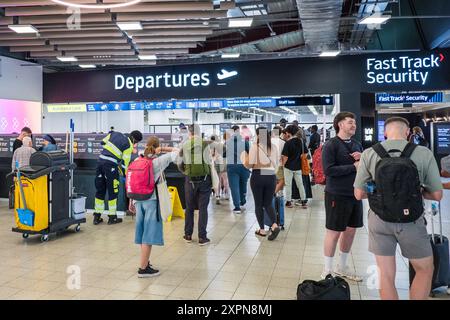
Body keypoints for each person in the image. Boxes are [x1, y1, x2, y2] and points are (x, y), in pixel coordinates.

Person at [354, 117, 443, 300]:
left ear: (385, 133)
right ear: (408, 132)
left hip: (379, 219)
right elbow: (437, 195)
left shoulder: (370, 153)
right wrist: (419, 192)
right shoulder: (423, 153)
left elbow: (359, 194)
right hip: (411, 220)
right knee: (425, 269)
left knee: (385, 275)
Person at [321, 112, 363, 281]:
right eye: (350, 122)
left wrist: (363, 159)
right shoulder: (331, 145)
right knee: (334, 232)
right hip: (336, 194)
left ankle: (342, 266)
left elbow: (362, 167)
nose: (354, 125)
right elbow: (328, 171)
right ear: (340, 124)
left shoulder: (357, 144)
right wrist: (353, 166)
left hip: (355, 193)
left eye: (354, 123)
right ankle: (327, 269)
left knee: (351, 231)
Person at [135, 136, 179, 278]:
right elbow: (179, 152)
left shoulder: (137, 159)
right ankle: (143, 269)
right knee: (149, 235)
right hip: (151, 201)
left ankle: (145, 263)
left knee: (142, 233)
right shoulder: (158, 161)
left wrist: (131, 201)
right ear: (157, 147)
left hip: (137, 200)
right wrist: (164, 149)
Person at [93, 130, 143, 225]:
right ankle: (112, 218)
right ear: (135, 140)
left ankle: (97, 217)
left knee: (100, 190)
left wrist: (109, 153)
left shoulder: (115, 133)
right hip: (110, 167)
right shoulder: (128, 145)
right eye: (136, 143)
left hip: (100, 163)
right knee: (113, 191)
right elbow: (125, 164)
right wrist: (126, 176)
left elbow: (102, 142)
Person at [244, 127, 281, 241]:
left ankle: (262, 230)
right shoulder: (274, 147)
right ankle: (274, 225)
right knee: (268, 203)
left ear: (259, 135)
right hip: (271, 176)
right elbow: (276, 164)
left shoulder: (255, 147)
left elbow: (248, 165)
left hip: (258, 175)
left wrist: (244, 158)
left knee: (258, 204)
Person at [179, 124, 212, 245]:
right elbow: (209, 161)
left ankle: (188, 235)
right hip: (204, 180)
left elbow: (179, 162)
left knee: (189, 208)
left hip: (190, 180)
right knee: (203, 208)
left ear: (189, 132)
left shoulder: (185, 144)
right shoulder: (204, 144)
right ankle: (202, 237)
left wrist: (186, 171)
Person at [225, 125, 251, 214]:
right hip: (244, 166)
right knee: (243, 184)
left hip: (232, 167)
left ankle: (237, 207)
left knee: (234, 187)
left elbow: (223, 154)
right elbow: (249, 153)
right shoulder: (245, 141)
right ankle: (242, 200)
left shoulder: (227, 142)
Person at [281, 125, 307, 208]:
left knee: (288, 184)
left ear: (289, 133)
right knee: (300, 184)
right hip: (298, 167)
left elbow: (285, 157)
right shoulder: (301, 142)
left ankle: (289, 202)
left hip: (288, 167)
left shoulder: (288, 143)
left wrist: (282, 165)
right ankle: (303, 201)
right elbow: (305, 154)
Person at [210, 134, 228, 204]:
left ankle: (217, 196)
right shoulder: (221, 145)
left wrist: (213, 157)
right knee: (225, 179)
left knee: (216, 180)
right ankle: (226, 194)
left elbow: (211, 155)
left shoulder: (211, 146)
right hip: (223, 162)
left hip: (215, 164)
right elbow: (226, 150)